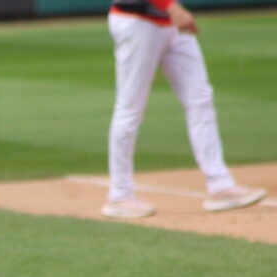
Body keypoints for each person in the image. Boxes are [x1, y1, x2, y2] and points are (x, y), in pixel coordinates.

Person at [103, 0, 267, 218]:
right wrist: (171, 6)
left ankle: (220, 186)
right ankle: (119, 195)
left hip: (170, 24)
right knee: (130, 107)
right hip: (136, 21)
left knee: (200, 98)